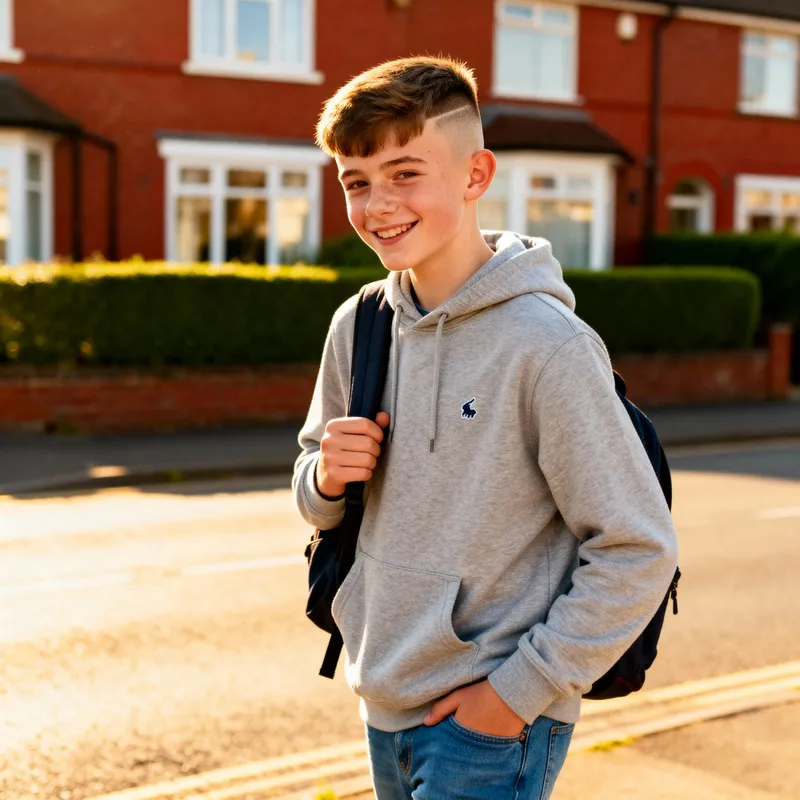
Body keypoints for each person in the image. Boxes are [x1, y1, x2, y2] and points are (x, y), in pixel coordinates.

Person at [292, 56, 678, 800]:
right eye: (356, 180)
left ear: (475, 176)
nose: (377, 205)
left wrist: (513, 696)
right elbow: (314, 495)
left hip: (492, 723)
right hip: (381, 698)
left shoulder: (548, 345)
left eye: (406, 174)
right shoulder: (360, 325)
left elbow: (638, 547)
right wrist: (326, 477)